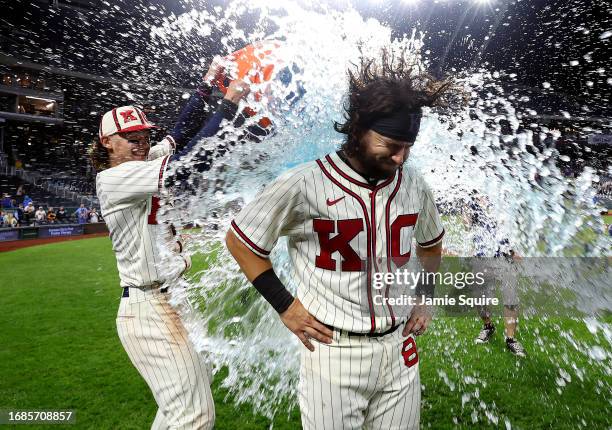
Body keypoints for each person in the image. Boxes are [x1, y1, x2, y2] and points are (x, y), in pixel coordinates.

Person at [226, 51, 453, 429]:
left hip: (399, 349)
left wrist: (425, 298)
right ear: (359, 128)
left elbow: (431, 245)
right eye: (391, 144)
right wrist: (285, 305)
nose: (400, 157)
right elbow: (241, 241)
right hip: (334, 352)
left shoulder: (414, 185)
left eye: (408, 146)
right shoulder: (304, 182)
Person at [91, 59, 251, 429]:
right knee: (194, 414)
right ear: (107, 143)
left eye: (144, 135)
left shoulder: (141, 159)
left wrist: (204, 86)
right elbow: (188, 163)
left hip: (171, 298)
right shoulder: (115, 177)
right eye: (131, 137)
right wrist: (226, 106)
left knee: (186, 398)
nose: (141, 142)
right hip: (148, 308)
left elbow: (179, 133)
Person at [464, 191, 526, 357]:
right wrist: (466, 213)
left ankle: (511, 339)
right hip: (482, 255)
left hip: (504, 255)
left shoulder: (502, 194)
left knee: (510, 299)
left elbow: (511, 225)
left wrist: (514, 250)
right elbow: (467, 226)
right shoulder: (471, 200)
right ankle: (488, 326)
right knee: (479, 298)